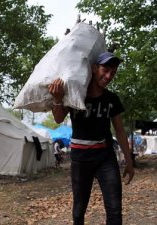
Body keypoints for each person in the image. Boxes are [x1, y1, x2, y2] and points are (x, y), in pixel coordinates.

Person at [48, 52, 134, 225]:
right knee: (79, 210)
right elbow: (58, 119)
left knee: (115, 210)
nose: (109, 76)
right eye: (105, 70)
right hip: (80, 160)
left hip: (106, 158)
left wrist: (129, 160)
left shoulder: (112, 99)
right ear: (94, 68)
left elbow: (120, 131)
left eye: (113, 72)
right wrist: (58, 99)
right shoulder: (75, 93)